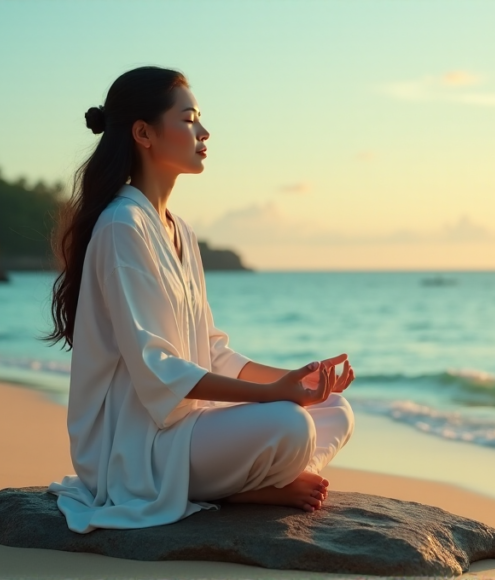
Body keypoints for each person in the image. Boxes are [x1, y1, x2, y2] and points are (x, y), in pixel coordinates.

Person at [42, 66, 355, 534]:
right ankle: (248, 490)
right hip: (136, 449)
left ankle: (256, 480)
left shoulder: (179, 230)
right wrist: (273, 395)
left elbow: (212, 351)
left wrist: (296, 380)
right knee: (291, 426)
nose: (203, 132)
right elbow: (158, 369)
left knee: (332, 410)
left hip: (186, 431)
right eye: (188, 119)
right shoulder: (121, 228)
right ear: (144, 133)